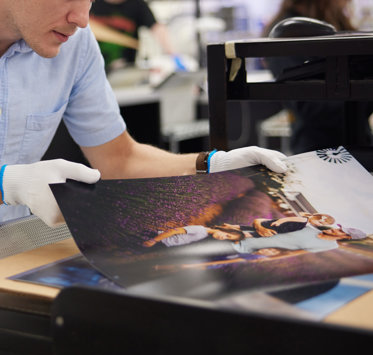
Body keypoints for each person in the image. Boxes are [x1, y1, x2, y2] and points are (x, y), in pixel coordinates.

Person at [0, 0, 287, 228]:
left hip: (14, 244)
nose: (83, 19)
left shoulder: (75, 47)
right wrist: (6, 184)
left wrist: (209, 165)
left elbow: (120, 159)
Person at [262, 0, 373, 154]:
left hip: (357, 142)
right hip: (318, 151)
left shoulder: (335, 22)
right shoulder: (289, 32)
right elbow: (310, 107)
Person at [90, 0, 181, 70]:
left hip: (124, 70)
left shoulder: (136, 4)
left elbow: (157, 28)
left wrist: (173, 54)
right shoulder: (90, 3)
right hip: (92, 67)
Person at [232, 223, 366, 255]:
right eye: (339, 227)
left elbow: (291, 254)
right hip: (236, 236)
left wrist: (263, 255)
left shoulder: (330, 247)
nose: (335, 229)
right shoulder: (307, 226)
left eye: (340, 231)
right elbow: (270, 225)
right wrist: (237, 227)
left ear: (346, 237)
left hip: (247, 252)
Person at [143, 224, 246, 247]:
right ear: (224, 230)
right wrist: (153, 241)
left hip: (163, 244)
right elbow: (173, 231)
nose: (222, 238)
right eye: (227, 235)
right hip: (157, 239)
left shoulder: (206, 235)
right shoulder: (200, 229)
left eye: (226, 239)